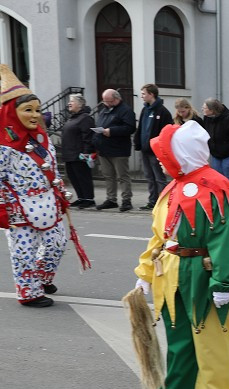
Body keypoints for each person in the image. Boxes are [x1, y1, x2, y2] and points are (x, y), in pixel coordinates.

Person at [134, 120, 229, 389]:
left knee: (212, 340)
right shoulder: (171, 188)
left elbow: (228, 240)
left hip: (201, 274)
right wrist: (145, 273)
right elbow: (159, 237)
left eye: (165, 152)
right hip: (169, 273)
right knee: (179, 337)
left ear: (181, 153)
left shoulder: (217, 187)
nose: (159, 158)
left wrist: (224, 282)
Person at [1, 66, 76, 307]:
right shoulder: (4, 147)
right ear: (12, 113)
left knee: (57, 243)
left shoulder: (42, 139)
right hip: (19, 208)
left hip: (48, 203)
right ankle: (28, 292)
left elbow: (51, 169)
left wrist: (60, 192)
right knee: (24, 252)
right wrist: (3, 209)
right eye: (28, 110)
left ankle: (42, 277)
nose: (35, 115)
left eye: (38, 110)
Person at [93, 88, 136, 211]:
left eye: (109, 101)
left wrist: (111, 131)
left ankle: (126, 200)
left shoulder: (126, 111)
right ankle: (111, 199)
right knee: (108, 176)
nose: (106, 103)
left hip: (119, 149)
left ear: (117, 99)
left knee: (122, 176)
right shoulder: (104, 110)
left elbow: (130, 128)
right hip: (104, 148)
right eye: (104, 101)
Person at [133, 83, 171, 210]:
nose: (142, 96)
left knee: (159, 177)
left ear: (151, 94)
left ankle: (164, 201)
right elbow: (141, 128)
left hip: (156, 151)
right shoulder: (145, 109)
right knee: (149, 177)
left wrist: (161, 148)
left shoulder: (163, 111)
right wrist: (138, 143)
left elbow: (166, 132)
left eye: (144, 94)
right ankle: (152, 201)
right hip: (145, 149)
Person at [60, 92, 96, 208]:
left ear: (80, 105)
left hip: (79, 154)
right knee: (74, 177)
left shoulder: (85, 118)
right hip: (69, 153)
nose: (69, 104)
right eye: (69, 101)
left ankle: (89, 199)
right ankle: (81, 197)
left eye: (72, 101)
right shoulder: (73, 118)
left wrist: (86, 152)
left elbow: (88, 136)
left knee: (83, 177)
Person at [201, 98, 229, 190]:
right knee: (218, 179)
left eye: (204, 108)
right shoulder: (207, 118)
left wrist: (225, 148)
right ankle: (222, 202)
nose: (202, 109)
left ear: (212, 110)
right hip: (216, 154)